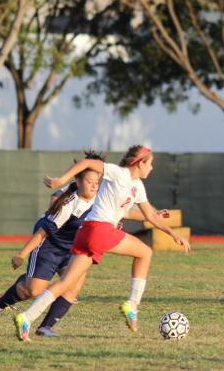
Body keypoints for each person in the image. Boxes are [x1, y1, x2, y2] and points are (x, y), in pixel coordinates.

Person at [14, 144, 190, 341]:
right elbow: (88, 163)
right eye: (150, 164)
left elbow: (148, 214)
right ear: (139, 163)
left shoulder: (137, 186)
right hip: (100, 230)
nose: (152, 168)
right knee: (145, 252)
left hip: (86, 233)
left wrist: (171, 232)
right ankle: (132, 305)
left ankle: (26, 318)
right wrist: (61, 180)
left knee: (66, 283)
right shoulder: (119, 173)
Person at [0, 151, 104, 337]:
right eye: (90, 181)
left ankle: (45, 327)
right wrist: (22, 254)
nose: (95, 186)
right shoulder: (68, 203)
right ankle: (1, 302)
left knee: (73, 285)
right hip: (49, 245)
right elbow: (42, 232)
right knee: (32, 290)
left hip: (73, 249)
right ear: (78, 181)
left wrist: (152, 216)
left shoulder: (101, 198)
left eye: (97, 182)